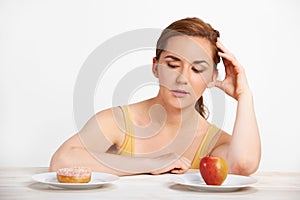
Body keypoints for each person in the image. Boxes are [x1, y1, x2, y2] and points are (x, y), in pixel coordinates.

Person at [49, 17, 261, 176]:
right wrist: (152, 163)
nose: (182, 78)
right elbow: (61, 161)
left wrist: (244, 95)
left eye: (197, 69)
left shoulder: (214, 142)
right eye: (172, 65)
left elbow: (242, 165)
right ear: (155, 67)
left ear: (212, 77)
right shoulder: (119, 122)